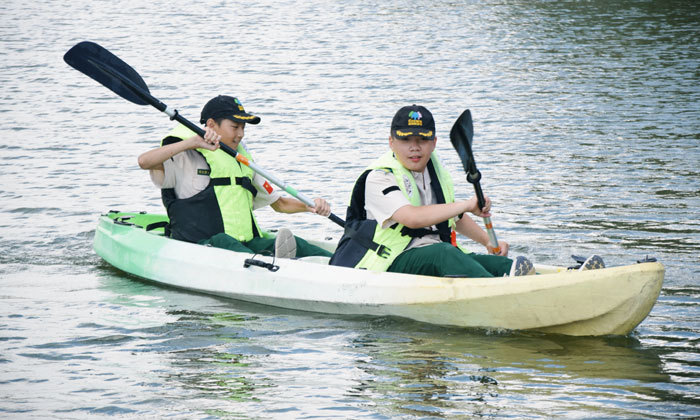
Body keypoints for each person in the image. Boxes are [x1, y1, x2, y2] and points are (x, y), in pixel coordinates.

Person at [331, 104, 588, 277]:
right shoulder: (380, 176)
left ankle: (558, 281)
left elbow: (454, 217)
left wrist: (487, 242)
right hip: (387, 262)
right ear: (391, 142)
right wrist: (467, 204)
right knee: (445, 254)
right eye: (405, 139)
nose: (414, 147)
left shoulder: (435, 170)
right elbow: (412, 218)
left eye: (422, 140)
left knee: (497, 262)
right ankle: (515, 291)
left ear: (434, 142)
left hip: (432, 253)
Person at [137, 95, 332, 259]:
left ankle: (340, 263)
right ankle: (268, 265)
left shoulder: (243, 161)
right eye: (235, 127)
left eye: (243, 128)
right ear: (211, 125)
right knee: (224, 241)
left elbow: (279, 204)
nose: (241, 134)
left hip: (243, 245)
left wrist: (310, 206)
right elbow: (144, 161)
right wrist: (192, 142)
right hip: (202, 246)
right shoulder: (186, 155)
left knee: (297, 243)